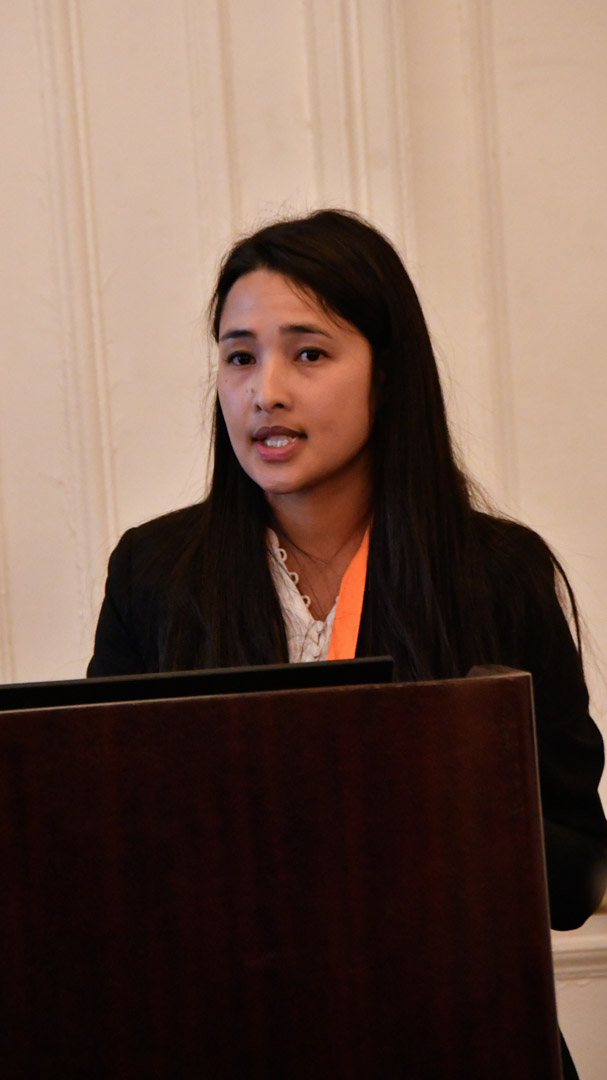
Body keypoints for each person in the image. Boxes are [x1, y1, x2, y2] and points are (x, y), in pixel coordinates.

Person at [88, 209, 607, 1076]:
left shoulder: (495, 574)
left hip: (452, 1035)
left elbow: (574, 876)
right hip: (227, 1033)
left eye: (309, 354)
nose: (265, 392)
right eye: (239, 356)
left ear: (389, 373)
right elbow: (100, 846)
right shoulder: (156, 571)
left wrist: (422, 799)